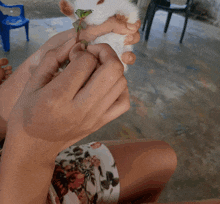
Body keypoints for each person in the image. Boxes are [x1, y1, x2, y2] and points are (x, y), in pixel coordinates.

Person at [0, 15, 218, 204]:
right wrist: (36, 145)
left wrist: (44, 62)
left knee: (162, 157)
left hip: (21, 160)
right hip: (21, 182)